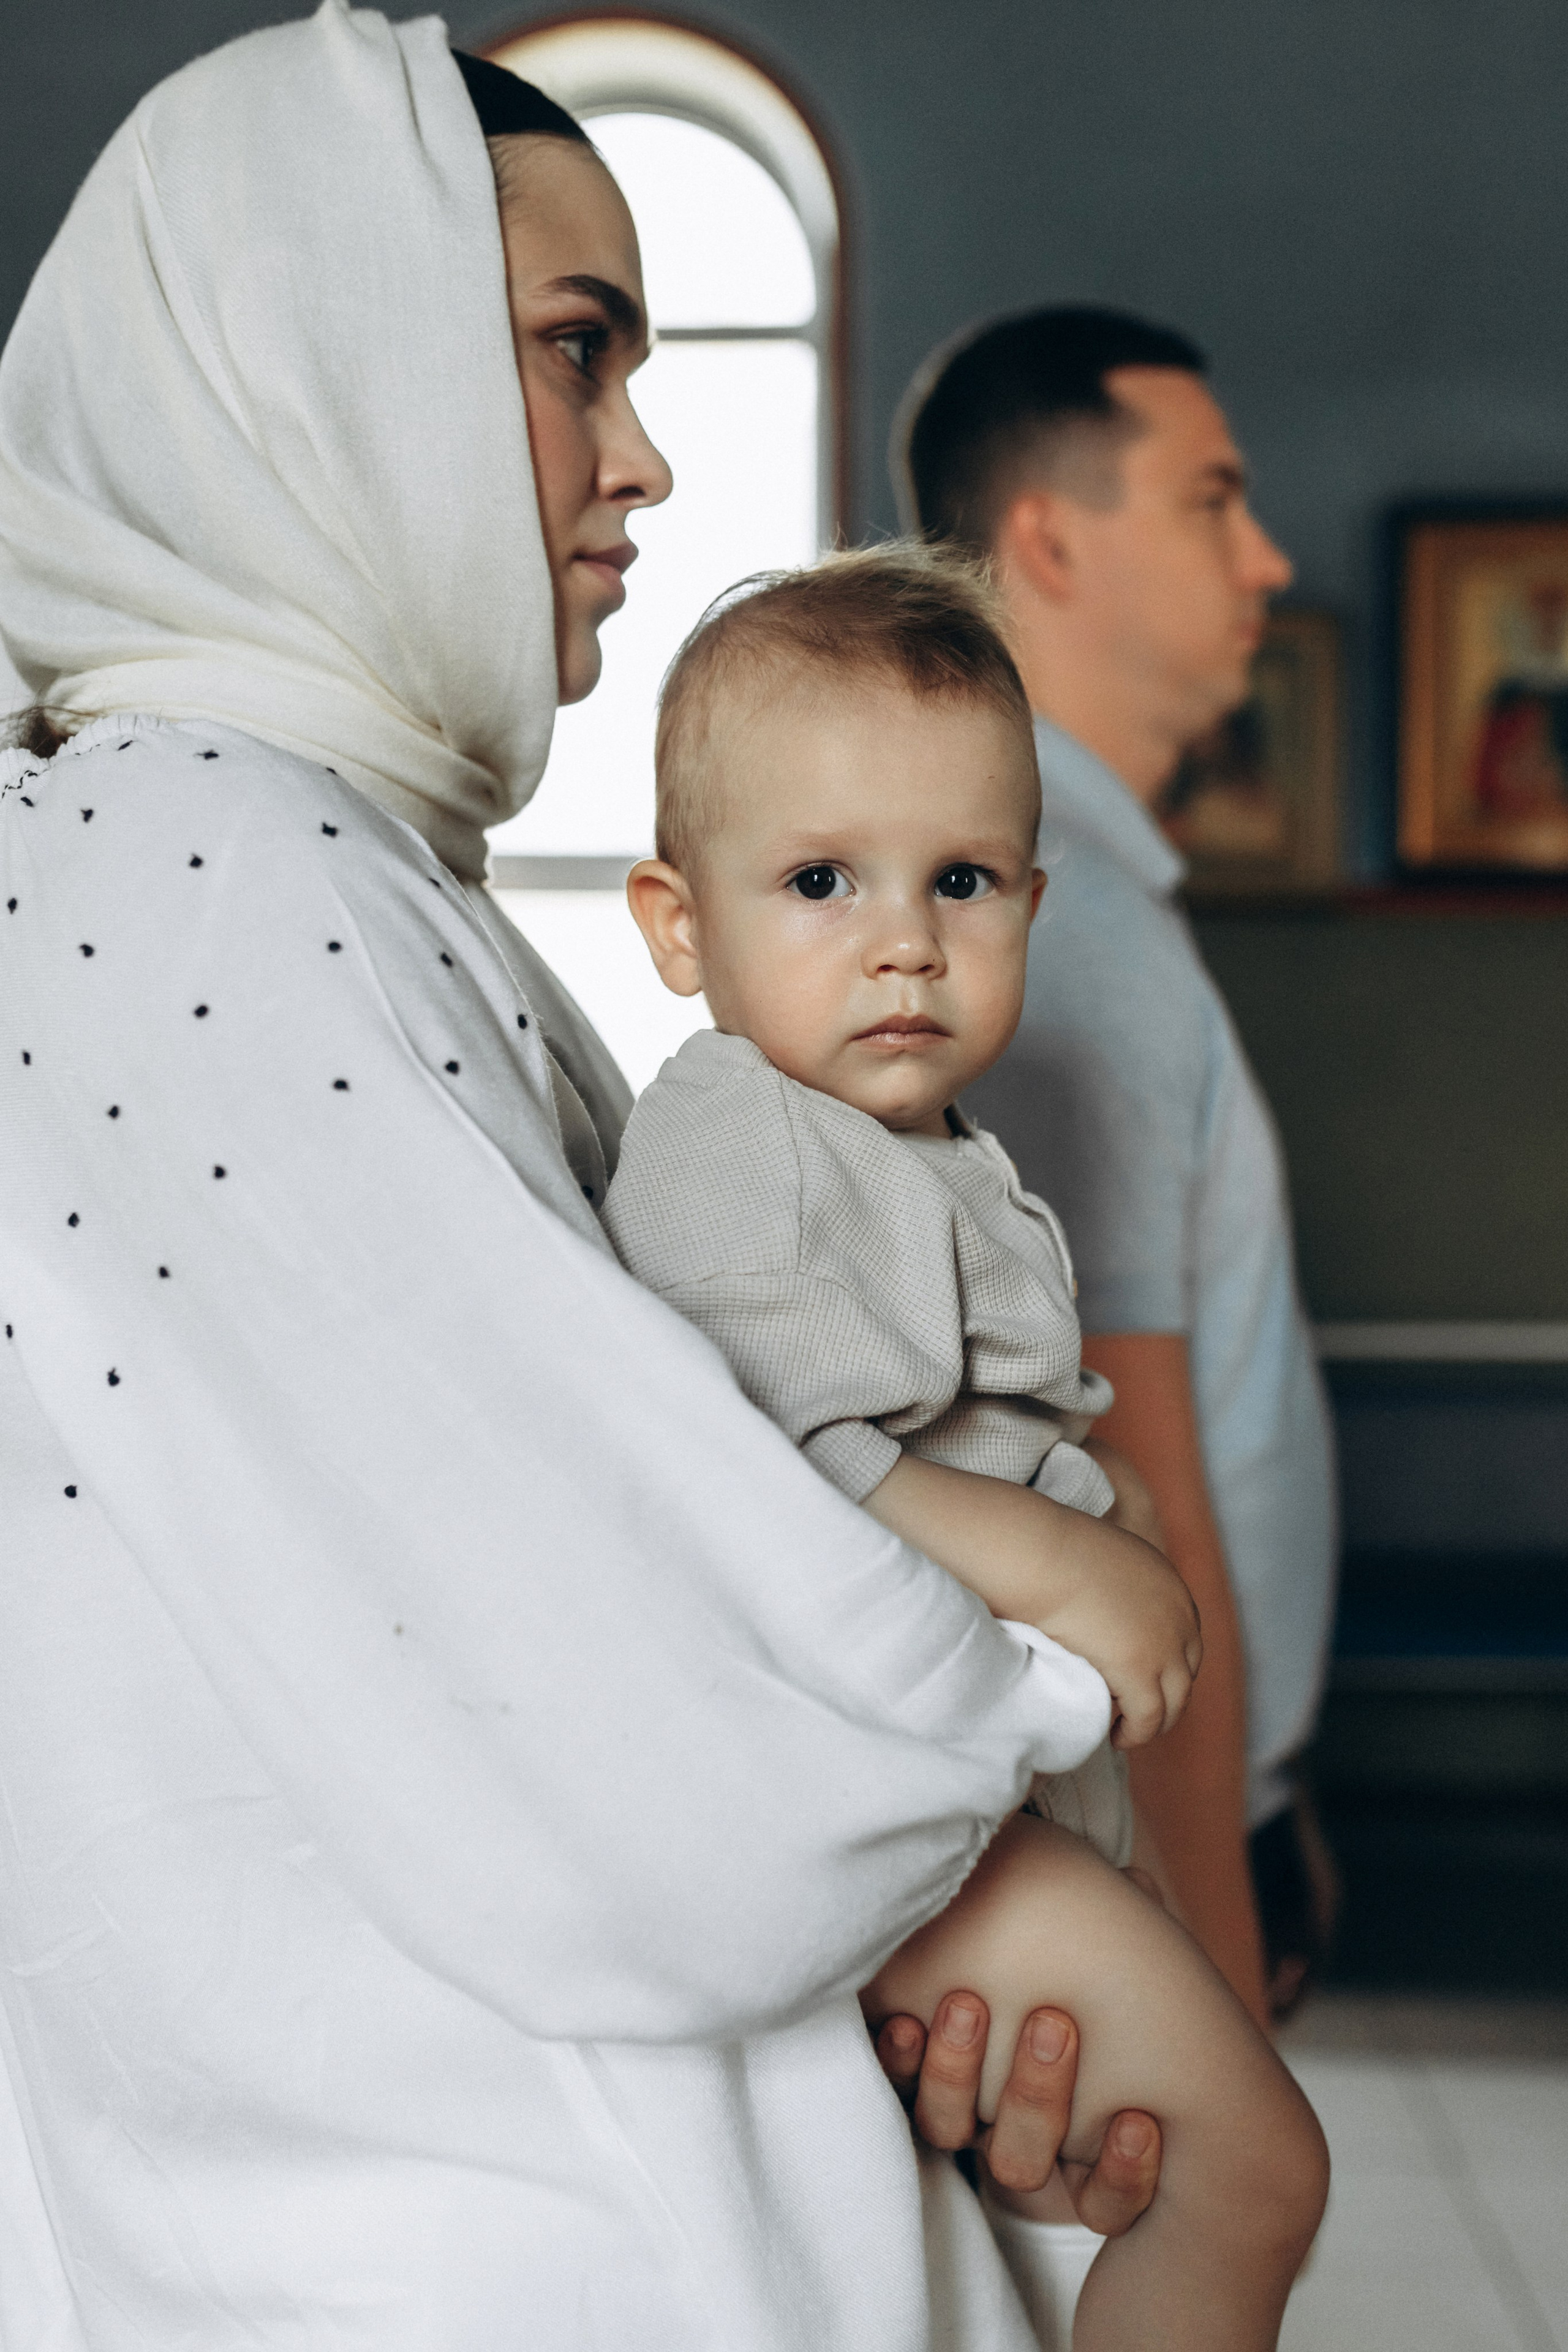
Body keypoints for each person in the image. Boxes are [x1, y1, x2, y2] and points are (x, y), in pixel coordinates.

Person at [0, 19, 1156, 2347]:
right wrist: (1045, 1674)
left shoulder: (298, 840)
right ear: (315, 353)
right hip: (480, 2225)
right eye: (571, 355)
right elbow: (631, 1666)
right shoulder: (208, 856)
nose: (641, 460)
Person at [606, 543, 1330, 2350]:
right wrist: (1071, 1556)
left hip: (1001, 1792)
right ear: (678, 923)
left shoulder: (924, 1142)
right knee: (1251, 2168)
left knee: (1106, 2177)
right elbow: (755, 1459)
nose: (904, 938)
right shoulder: (735, 1133)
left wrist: (1107, 1501)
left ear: (1031, 894)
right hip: (884, 1808)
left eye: (964, 881)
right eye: (821, 881)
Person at [897, 308, 1340, 2030]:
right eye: (1215, 501)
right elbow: (1127, 1489)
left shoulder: (1068, 892)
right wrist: (1212, 1984)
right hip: (1132, 1801)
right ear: (1053, 541)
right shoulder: (1046, 926)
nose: (1270, 556)